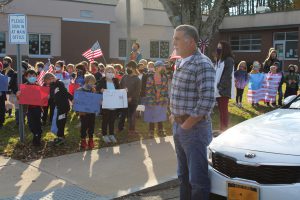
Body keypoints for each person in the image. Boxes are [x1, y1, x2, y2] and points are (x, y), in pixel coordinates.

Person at [170, 25, 215, 200]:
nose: (174, 42)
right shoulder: (180, 61)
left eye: (177, 39)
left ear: (191, 42)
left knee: (197, 180)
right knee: (183, 176)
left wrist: (187, 125)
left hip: (195, 130)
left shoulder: (203, 64)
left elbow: (207, 101)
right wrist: (174, 116)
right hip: (179, 126)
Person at [43, 72, 73, 145]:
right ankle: (60, 136)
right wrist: (49, 96)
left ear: (51, 78)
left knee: (60, 122)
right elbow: (53, 94)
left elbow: (65, 92)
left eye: (47, 82)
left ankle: (61, 138)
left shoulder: (59, 83)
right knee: (58, 122)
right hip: (59, 106)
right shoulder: (52, 85)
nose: (47, 84)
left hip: (64, 106)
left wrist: (72, 99)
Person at [17, 69, 42, 146]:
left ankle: (37, 136)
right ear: (26, 77)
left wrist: (46, 96)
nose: (32, 77)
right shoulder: (24, 86)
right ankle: (36, 134)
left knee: (38, 122)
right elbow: (20, 99)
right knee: (31, 124)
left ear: (36, 77)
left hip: (37, 108)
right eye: (30, 76)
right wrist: (18, 95)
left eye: (33, 76)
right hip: (28, 109)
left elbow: (43, 97)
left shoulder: (38, 86)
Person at [144, 60, 168, 136]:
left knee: (160, 114)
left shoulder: (164, 77)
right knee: (152, 115)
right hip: (152, 99)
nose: (164, 68)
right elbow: (148, 89)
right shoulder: (150, 77)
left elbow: (165, 89)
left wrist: (164, 99)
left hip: (161, 100)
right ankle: (151, 131)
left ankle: (160, 130)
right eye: (162, 66)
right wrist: (151, 100)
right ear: (157, 67)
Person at [214, 41, 235, 131]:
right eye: (217, 47)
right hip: (217, 89)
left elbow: (227, 75)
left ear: (225, 49)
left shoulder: (229, 60)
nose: (218, 49)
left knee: (223, 110)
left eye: (220, 48)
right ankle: (222, 128)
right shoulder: (219, 60)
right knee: (221, 111)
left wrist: (220, 88)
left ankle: (224, 129)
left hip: (223, 90)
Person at [96, 65, 120, 143]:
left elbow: (119, 90)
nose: (110, 73)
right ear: (105, 72)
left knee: (112, 120)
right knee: (105, 120)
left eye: (112, 72)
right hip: (105, 104)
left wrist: (124, 91)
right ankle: (104, 135)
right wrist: (101, 90)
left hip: (114, 104)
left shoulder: (116, 80)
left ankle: (111, 134)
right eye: (108, 72)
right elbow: (97, 88)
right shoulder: (102, 80)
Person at [118, 61, 142, 134]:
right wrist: (121, 92)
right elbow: (120, 85)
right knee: (123, 114)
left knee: (132, 115)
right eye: (127, 67)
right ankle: (120, 128)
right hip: (124, 99)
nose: (127, 69)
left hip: (133, 100)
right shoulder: (124, 76)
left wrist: (131, 97)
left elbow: (137, 90)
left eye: (128, 67)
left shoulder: (137, 79)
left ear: (133, 68)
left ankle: (132, 130)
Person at [77, 74, 97, 149]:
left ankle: (91, 139)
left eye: (93, 83)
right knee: (84, 126)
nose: (92, 85)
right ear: (86, 81)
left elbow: (95, 100)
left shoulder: (93, 90)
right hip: (83, 113)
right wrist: (80, 111)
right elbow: (77, 102)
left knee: (91, 126)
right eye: (91, 83)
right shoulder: (80, 90)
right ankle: (83, 140)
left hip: (92, 112)